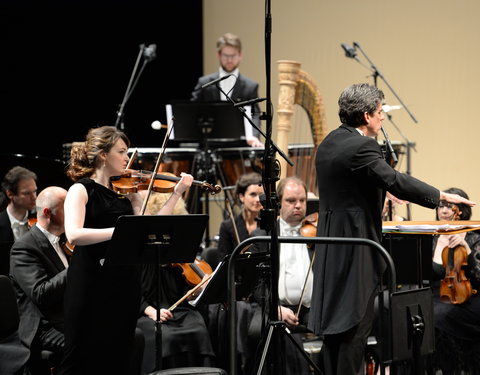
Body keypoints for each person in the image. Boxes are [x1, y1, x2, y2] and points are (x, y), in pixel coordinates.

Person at [308, 83, 476, 375]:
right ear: (366, 115)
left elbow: (349, 184)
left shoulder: (331, 142)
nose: (382, 117)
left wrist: (379, 191)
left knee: (335, 330)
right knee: (355, 328)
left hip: (332, 246)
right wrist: (442, 196)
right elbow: (396, 180)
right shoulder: (362, 145)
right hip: (356, 248)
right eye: (379, 112)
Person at [58, 126, 193, 375]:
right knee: (80, 358)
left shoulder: (127, 193)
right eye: (121, 152)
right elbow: (74, 234)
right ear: (103, 155)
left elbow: (151, 228)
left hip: (123, 284)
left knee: (119, 357)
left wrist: (176, 193)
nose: (126, 158)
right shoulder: (81, 190)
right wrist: (121, 232)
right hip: (90, 285)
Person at [136, 192, 215, 372]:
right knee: (167, 337)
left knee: (198, 329)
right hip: (146, 313)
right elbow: (130, 292)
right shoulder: (139, 254)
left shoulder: (178, 256)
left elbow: (184, 295)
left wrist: (197, 289)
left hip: (177, 310)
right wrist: (150, 311)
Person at [249, 176, 314, 375]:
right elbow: (256, 283)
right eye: (291, 201)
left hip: (312, 307)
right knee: (255, 331)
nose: (298, 206)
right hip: (274, 305)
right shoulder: (263, 236)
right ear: (278, 203)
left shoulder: (317, 233)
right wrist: (274, 307)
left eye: (302, 201)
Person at [10, 186, 69, 372]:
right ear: (47, 213)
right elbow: (41, 293)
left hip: (69, 318)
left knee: (128, 336)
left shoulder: (65, 240)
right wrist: (77, 268)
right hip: (44, 327)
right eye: (67, 208)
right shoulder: (24, 248)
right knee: (88, 344)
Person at [430, 187, 480, 374]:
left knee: (439, 317)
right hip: (437, 293)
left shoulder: (474, 236)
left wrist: (466, 248)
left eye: (450, 207)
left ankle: (452, 367)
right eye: (441, 206)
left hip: (469, 295)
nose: (444, 211)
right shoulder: (432, 236)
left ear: (461, 212)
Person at [191, 32, 263, 147]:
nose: (229, 60)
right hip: (209, 145)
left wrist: (254, 136)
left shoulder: (250, 86)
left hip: (239, 146)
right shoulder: (204, 83)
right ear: (218, 55)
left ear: (240, 55)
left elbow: (254, 115)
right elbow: (192, 111)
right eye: (225, 55)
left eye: (233, 55)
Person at [216, 172, 264, 260]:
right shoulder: (227, 226)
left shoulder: (269, 226)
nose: (258, 199)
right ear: (242, 197)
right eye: (253, 194)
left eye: (261, 195)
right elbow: (224, 260)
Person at [0, 166, 37, 275]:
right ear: (10, 194)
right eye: (27, 193)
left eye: (34, 191)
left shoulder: (41, 219)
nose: (34, 197)